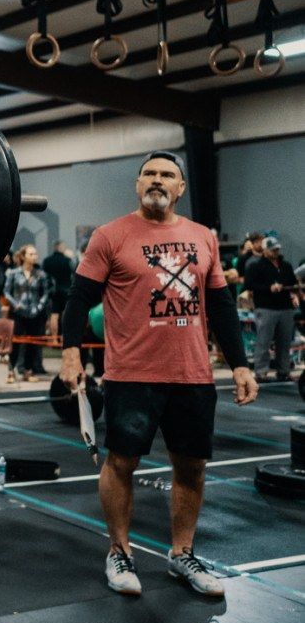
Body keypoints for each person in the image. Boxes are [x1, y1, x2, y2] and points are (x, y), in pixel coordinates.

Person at [60, 151, 256, 599]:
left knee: (191, 467)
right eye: (149, 173)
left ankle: (181, 553)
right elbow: (77, 299)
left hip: (192, 374)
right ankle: (119, 551)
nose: (157, 180)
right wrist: (71, 354)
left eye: (167, 174)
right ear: (137, 184)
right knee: (122, 462)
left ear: (180, 188)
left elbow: (222, 307)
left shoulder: (202, 237)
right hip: (131, 374)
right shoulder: (110, 236)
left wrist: (241, 364)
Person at [244, 235, 300, 381]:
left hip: (285, 308)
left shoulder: (286, 265)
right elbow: (249, 285)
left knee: (285, 341)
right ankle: (261, 372)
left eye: (277, 249)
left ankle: (284, 370)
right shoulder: (256, 266)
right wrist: (269, 288)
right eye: (273, 250)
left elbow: (293, 282)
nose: (276, 252)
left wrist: (294, 293)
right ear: (265, 250)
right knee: (264, 341)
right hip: (266, 308)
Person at [5, 245, 51, 381]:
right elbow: (7, 292)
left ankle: (28, 371)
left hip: (35, 314)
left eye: (35, 254)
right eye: (31, 254)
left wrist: (39, 307)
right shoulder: (13, 273)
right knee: (16, 342)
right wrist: (15, 304)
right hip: (19, 313)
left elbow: (46, 293)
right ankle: (11, 371)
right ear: (24, 256)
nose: (34, 256)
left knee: (32, 343)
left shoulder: (41, 274)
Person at [43, 240, 76, 337]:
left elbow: (44, 276)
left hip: (53, 292)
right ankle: (63, 337)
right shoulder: (68, 260)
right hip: (67, 290)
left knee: (54, 315)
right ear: (60, 247)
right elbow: (74, 273)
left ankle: (53, 338)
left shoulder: (47, 260)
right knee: (66, 314)